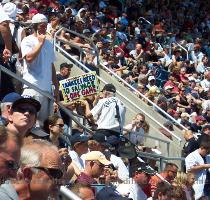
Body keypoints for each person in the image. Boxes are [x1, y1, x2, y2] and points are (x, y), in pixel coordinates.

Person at [21, 13, 59, 126]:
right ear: (35, 26)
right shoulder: (27, 40)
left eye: (45, 25)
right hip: (32, 87)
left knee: (44, 125)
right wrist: (40, 43)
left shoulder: (49, 43)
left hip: (46, 90)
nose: (44, 28)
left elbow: (51, 65)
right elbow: (28, 58)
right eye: (42, 25)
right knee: (30, 124)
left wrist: (56, 87)